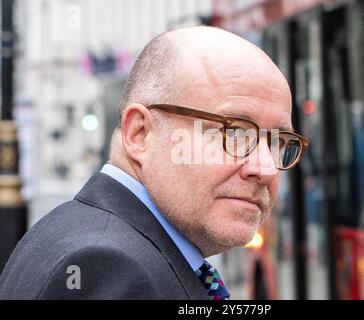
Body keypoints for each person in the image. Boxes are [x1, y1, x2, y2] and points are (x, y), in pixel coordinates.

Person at [0, 26, 308, 300]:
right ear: (140, 133)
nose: (265, 168)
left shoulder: (88, 236)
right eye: (235, 132)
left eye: (277, 141)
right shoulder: (110, 268)